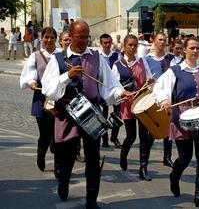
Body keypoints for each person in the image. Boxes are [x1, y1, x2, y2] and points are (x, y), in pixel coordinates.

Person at [41, 21, 131, 209]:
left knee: (92, 158)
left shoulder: (97, 57)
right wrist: (67, 76)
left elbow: (110, 84)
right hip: (66, 114)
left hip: (91, 114)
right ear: (71, 37)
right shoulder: (58, 59)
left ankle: (91, 200)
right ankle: (64, 182)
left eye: (86, 36)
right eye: (79, 37)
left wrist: (120, 93)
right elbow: (48, 89)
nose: (83, 40)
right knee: (66, 156)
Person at [153, 37, 199, 209]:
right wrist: (164, 101)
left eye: (197, 48)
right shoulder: (174, 71)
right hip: (182, 117)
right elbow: (159, 89)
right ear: (184, 50)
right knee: (185, 157)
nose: (195, 51)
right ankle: (174, 176)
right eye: (191, 48)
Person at [112, 34, 155, 180]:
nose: (132, 48)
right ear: (124, 46)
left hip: (142, 103)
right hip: (128, 104)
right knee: (131, 136)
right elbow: (115, 86)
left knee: (144, 136)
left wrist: (150, 81)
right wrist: (122, 94)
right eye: (130, 45)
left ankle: (143, 167)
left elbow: (150, 80)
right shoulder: (117, 64)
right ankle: (123, 155)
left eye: (135, 45)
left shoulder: (142, 62)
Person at [20, 27, 60, 178]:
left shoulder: (61, 55)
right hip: (41, 98)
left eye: (51, 37)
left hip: (58, 99)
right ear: (42, 38)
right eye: (46, 37)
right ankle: (41, 152)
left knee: (58, 135)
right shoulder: (36, 56)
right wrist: (31, 82)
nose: (49, 40)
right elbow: (30, 72)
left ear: (55, 38)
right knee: (45, 134)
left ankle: (58, 166)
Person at [143, 32, 174, 168]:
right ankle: (145, 159)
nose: (162, 42)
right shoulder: (146, 59)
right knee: (153, 129)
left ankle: (167, 157)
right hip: (154, 97)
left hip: (168, 97)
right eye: (160, 40)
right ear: (154, 41)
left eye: (164, 40)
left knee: (168, 127)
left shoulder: (170, 59)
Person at [99, 33, 122, 148]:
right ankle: (104, 139)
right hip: (102, 89)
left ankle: (114, 137)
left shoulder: (117, 56)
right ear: (101, 44)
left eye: (109, 42)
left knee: (118, 115)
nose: (107, 45)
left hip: (115, 89)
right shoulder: (98, 56)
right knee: (103, 115)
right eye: (105, 43)